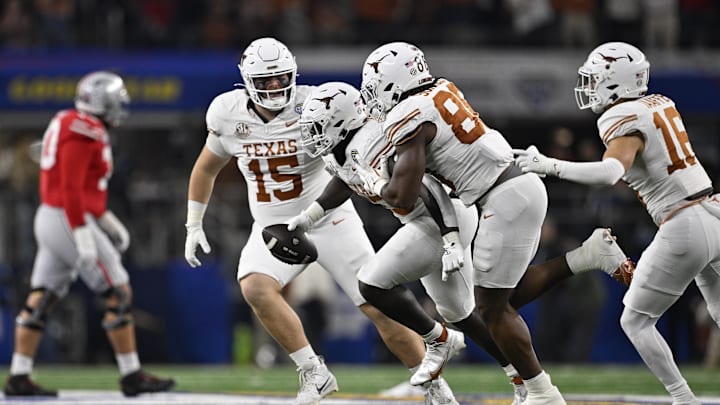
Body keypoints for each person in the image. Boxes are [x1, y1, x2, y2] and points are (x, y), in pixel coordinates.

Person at [293, 81, 634, 405]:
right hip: (436, 219)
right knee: (469, 311)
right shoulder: (342, 151)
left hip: (440, 218)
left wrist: (450, 236)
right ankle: (521, 379)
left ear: (340, 122)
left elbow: (429, 188)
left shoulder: (372, 143)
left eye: (318, 127)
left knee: (370, 283)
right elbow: (344, 180)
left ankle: (437, 339)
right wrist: (308, 217)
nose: (312, 136)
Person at [183, 37, 427, 405]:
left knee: (379, 304)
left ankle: (431, 383)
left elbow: (365, 137)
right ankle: (314, 372)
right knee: (254, 287)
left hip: (330, 219)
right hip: (272, 226)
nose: (275, 87)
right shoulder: (227, 113)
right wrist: (193, 224)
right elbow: (206, 168)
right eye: (265, 81)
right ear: (246, 82)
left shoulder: (316, 102)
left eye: (281, 78)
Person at [354, 41, 578, 405]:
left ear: (392, 82)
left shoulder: (409, 115)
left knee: (492, 310)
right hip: (516, 188)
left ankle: (542, 393)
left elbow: (404, 196)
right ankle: (534, 387)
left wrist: (374, 181)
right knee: (492, 304)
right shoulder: (440, 88)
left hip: (505, 197)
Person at [513, 41, 720, 405]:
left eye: (595, 79)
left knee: (635, 322)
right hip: (713, 210)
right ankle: (620, 267)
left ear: (615, 81)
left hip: (683, 223)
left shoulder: (619, 117)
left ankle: (684, 399)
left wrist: (549, 165)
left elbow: (610, 173)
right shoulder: (660, 103)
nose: (590, 88)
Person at [3, 71, 175, 397]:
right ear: (103, 102)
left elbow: (83, 189)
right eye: (117, 98)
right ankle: (131, 374)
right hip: (66, 217)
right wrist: (82, 233)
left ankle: (19, 375)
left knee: (42, 297)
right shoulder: (87, 129)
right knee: (119, 290)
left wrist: (107, 220)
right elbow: (70, 186)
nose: (121, 104)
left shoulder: (70, 121)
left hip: (55, 216)